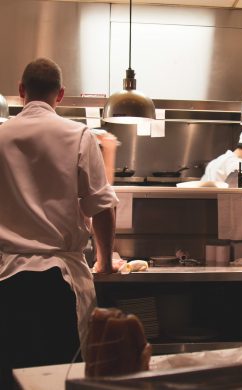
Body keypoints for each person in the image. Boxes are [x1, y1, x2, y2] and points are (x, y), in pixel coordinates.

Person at [0, 58, 119, 387]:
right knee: (61, 380)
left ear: (21, 91)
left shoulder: (1, 135)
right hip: (59, 284)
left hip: (6, 280)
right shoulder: (78, 135)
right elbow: (102, 207)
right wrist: (105, 262)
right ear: (61, 94)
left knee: (11, 379)